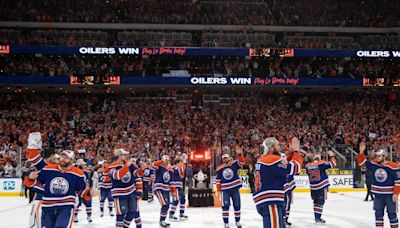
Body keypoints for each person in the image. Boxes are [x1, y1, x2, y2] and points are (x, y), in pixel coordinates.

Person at [25, 149, 87, 228]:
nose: (63, 159)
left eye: (66, 158)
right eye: (62, 157)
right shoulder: (49, 169)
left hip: (66, 206)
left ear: (71, 160)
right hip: (47, 206)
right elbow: (35, 181)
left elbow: (81, 190)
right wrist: (30, 178)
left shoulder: (78, 173)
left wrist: (86, 194)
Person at [253, 137, 304, 228]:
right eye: (277, 145)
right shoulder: (273, 160)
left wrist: (292, 153)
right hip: (271, 201)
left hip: (267, 200)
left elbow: (283, 164)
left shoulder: (264, 159)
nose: (279, 147)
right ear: (271, 148)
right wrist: (296, 152)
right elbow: (295, 167)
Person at [358, 142, 400, 228]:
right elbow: (362, 164)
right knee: (378, 214)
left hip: (389, 195)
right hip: (378, 195)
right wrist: (361, 152)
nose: (377, 158)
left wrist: (396, 193)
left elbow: (398, 181)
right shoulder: (374, 164)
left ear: (384, 157)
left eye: (379, 156)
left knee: (392, 214)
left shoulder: (393, 166)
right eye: (376, 156)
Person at [108, 148, 144, 228]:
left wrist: (142, 169)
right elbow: (116, 176)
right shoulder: (112, 166)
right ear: (119, 156)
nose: (126, 156)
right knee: (121, 214)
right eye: (124, 154)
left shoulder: (129, 164)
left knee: (132, 211)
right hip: (119, 194)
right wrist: (126, 166)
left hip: (131, 192)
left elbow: (136, 174)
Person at [215, 146, 245, 228]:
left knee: (237, 205)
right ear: (222, 159)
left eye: (226, 158)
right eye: (224, 158)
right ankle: (226, 223)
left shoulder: (234, 163)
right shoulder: (220, 168)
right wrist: (218, 190)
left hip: (235, 189)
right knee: (225, 206)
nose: (225, 159)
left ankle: (238, 221)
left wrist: (239, 154)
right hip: (225, 190)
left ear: (229, 157)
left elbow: (242, 162)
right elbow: (218, 180)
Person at [305, 150, 337, 224]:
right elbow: (333, 164)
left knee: (315, 202)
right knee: (320, 202)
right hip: (321, 186)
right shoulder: (321, 163)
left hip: (313, 187)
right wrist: (332, 156)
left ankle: (317, 217)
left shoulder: (307, 165)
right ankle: (318, 218)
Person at [284, 144, 309, 226]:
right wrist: (294, 151)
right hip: (284, 185)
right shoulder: (288, 161)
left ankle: (284, 218)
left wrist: (294, 152)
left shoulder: (288, 159)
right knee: (287, 200)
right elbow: (296, 165)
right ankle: (284, 218)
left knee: (287, 201)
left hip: (283, 185)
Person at [152, 155, 174, 228]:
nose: (167, 162)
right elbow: (153, 164)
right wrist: (161, 161)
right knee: (164, 204)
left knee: (167, 205)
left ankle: (163, 220)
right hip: (159, 188)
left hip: (166, 189)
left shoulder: (169, 169)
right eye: (165, 160)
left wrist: (173, 191)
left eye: (168, 160)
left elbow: (171, 180)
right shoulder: (159, 167)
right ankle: (161, 221)